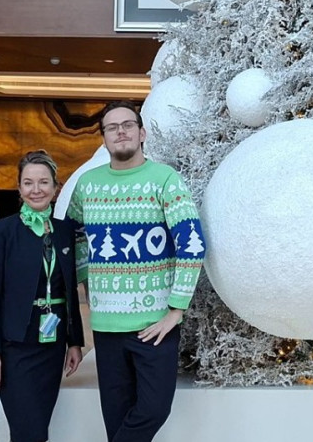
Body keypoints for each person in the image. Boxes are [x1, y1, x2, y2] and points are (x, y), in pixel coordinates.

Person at [66, 101, 205, 442]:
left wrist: (175, 310)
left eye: (127, 125)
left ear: (142, 133)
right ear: (103, 139)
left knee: (154, 409)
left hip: (154, 325)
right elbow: (73, 235)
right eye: (112, 128)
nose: (121, 132)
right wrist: (86, 281)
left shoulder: (165, 180)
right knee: (116, 417)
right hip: (106, 325)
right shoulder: (88, 184)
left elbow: (192, 243)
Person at [0, 151, 84, 442]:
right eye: (28, 183)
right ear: (19, 188)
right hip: (15, 347)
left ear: (55, 187)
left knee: (38, 429)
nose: (36, 189)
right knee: (28, 431)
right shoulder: (2, 232)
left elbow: (68, 288)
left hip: (52, 346)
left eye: (43, 182)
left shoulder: (63, 232)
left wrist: (75, 342)